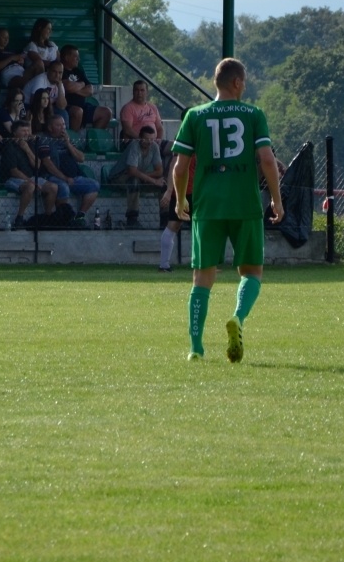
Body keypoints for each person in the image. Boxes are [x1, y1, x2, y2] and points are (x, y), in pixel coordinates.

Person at [171, 57, 284, 364]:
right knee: (251, 271)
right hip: (245, 204)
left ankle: (196, 348)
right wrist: (276, 198)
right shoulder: (253, 115)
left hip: (208, 206)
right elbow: (267, 160)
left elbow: (180, 167)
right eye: (244, 82)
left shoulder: (195, 116)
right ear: (236, 82)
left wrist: (181, 199)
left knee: (202, 278)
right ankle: (237, 317)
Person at [40, 115, 99, 219]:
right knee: (64, 187)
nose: (63, 128)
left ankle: (80, 215)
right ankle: (61, 218)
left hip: (73, 177)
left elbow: (81, 158)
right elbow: (47, 164)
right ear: (50, 128)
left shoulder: (67, 139)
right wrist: (64, 178)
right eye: (58, 125)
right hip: (53, 177)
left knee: (94, 185)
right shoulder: (45, 140)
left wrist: (68, 143)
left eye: (63, 124)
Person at [0, 121, 51, 230]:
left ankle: (48, 217)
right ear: (14, 132)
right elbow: (14, 171)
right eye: (23, 131)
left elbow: (38, 165)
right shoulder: (9, 146)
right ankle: (20, 217)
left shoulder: (29, 144)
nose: (27, 133)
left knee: (53, 187)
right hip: (12, 179)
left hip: (30, 177)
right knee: (30, 187)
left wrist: (27, 149)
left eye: (28, 130)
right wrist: (31, 181)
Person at [112, 125, 166, 228]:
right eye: (146, 139)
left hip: (139, 176)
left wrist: (145, 176)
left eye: (152, 139)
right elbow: (132, 171)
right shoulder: (134, 145)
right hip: (119, 177)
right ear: (140, 138)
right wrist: (153, 181)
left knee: (163, 185)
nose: (149, 142)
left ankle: (165, 219)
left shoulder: (154, 146)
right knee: (134, 180)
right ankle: (132, 219)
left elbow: (159, 171)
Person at [58, 46, 112, 131]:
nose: (78, 59)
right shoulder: (60, 70)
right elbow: (67, 87)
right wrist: (81, 84)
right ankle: (74, 142)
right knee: (78, 111)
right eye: (76, 57)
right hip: (68, 107)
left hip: (84, 106)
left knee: (106, 112)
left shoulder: (78, 70)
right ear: (67, 57)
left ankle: (92, 141)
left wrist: (75, 89)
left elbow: (90, 90)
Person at [157, 151, 190, 273]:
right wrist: (169, 191)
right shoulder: (184, 140)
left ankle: (206, 264)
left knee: (203, 226)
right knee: (173, 225)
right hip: (181, 192)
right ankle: (164, 265)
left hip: (198, 191)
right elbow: (173, 166)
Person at [119, 79, 164, 145]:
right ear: (133, 92)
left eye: (142, 90)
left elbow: (160, 128)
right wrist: (142, 140)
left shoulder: (153, 107)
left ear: (147, 92)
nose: (139, 93)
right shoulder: (128, 108)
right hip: (136, 143)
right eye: (136, 90)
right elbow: (127, 130)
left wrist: (159, 140)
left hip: (154, 143)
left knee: (174, 148)